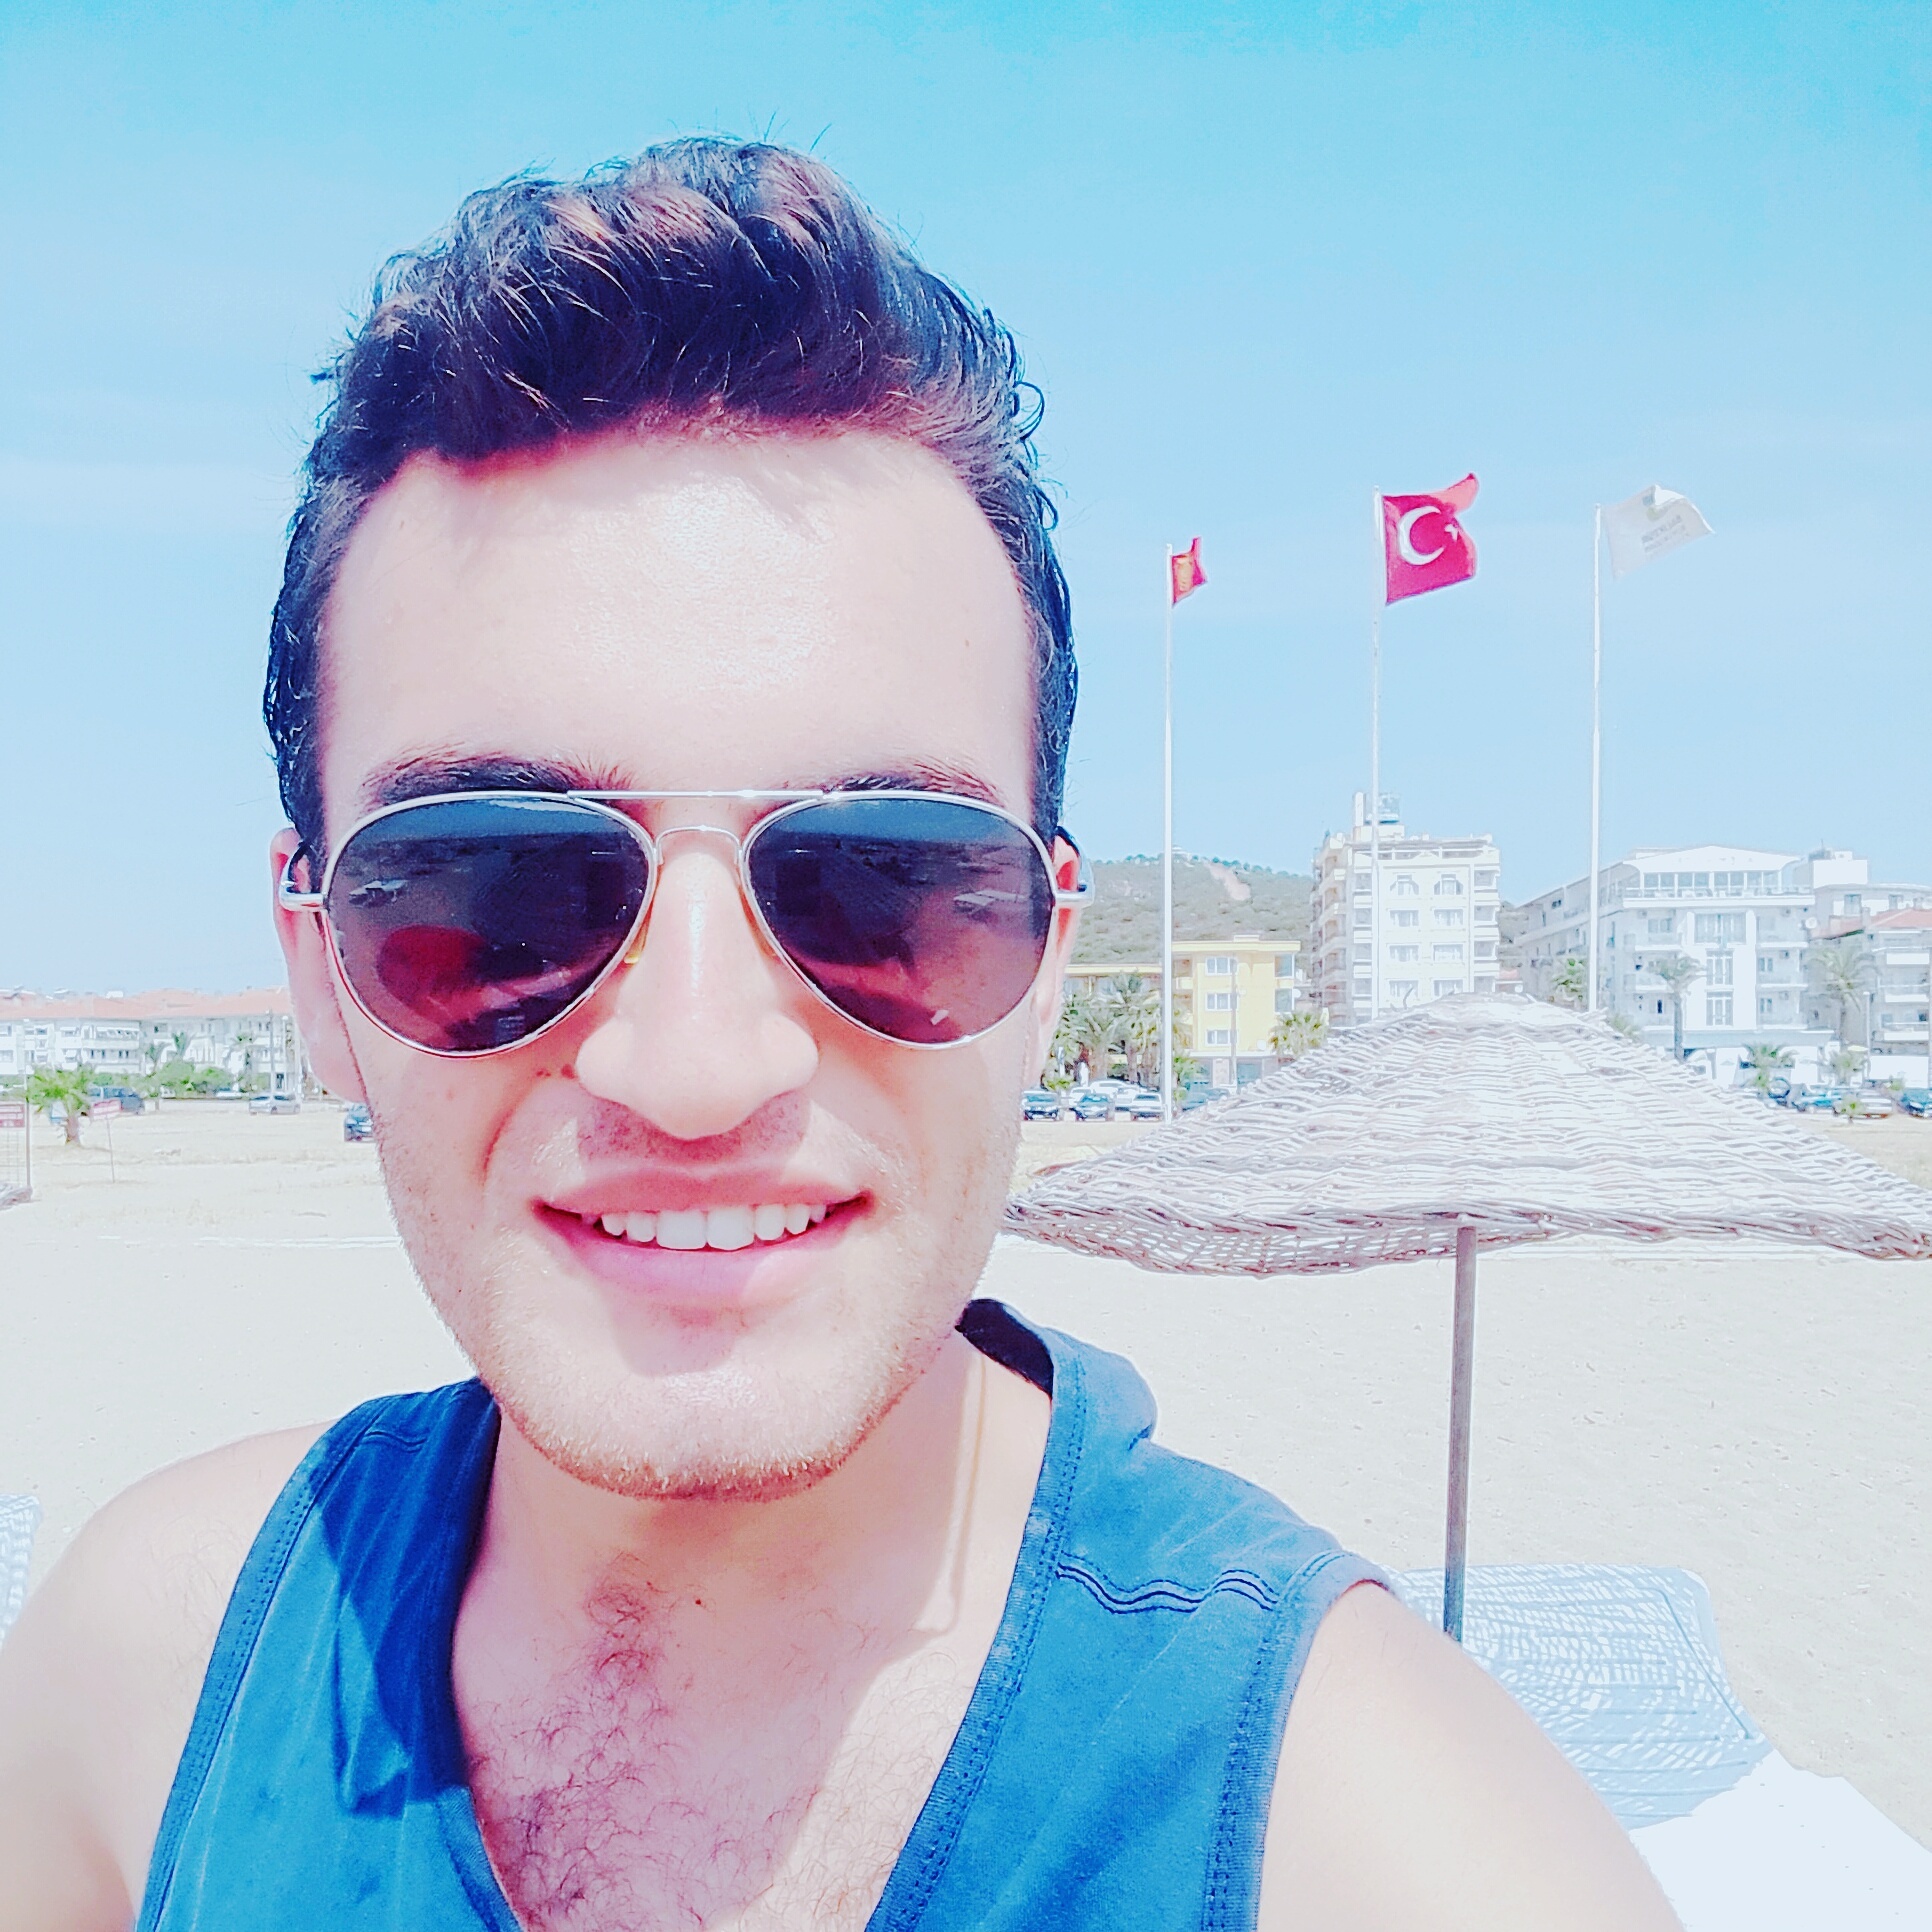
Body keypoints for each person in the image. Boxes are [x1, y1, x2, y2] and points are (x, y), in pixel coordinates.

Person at [0, 141, 1677, 1931]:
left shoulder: (1382, 1853)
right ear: (318, 973)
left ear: (1042, 966)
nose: (697, 1067)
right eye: (497, 888)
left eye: (886, 882)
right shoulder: (148, 1685)